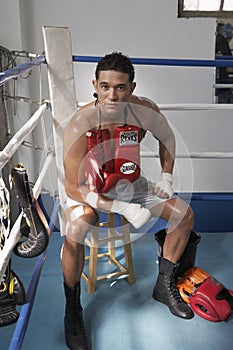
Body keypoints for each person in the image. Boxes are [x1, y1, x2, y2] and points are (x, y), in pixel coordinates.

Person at [62, 52, 194, 350]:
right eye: (105, 86)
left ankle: (163, 285)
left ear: (132, 88)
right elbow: (73, 186)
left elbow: (167, 138)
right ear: (95, 84)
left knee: (183, 214)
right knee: (76, 226)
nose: (112, 94)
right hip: (88, 189)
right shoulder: (79, 125)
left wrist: (167, 178)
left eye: (120, 87)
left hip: (129, 183)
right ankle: (72, 309)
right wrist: (121, 208)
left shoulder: (144, 111)